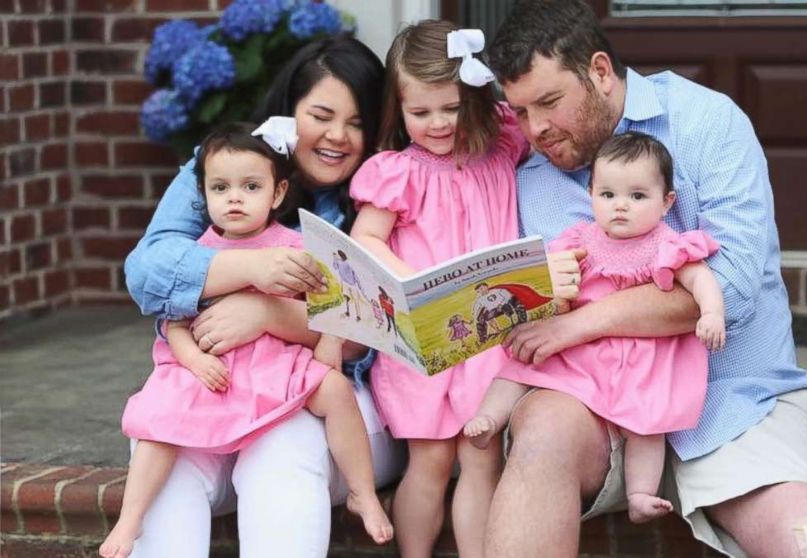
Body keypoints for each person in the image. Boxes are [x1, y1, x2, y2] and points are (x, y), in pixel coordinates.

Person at [484, 1, 807, 557]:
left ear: (600, 71)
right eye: (522, 112)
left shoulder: (708, 122)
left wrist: (581, 323)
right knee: (539, 440)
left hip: (731, 396)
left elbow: (733, 287)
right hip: (593, 400)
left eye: (550, 103)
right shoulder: (534, 177)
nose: (537, 130)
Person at [121, 36, 405, 558]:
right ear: (289, 114)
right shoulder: (231, 166)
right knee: (165, 444)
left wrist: (269, 312)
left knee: (285, 443)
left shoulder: (390, 187)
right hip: (227, 385)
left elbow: (365, 341)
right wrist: (251, 267)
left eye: (358, 123)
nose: (338, 136)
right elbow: (146, 273)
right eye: (321, 115)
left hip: (339, 401)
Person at [465, 131, 725, 525]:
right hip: (581, 350)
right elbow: (551, 288)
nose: (621, 207)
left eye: (637, 197)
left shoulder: (668, 245)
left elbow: (701, 281)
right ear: (591, 194)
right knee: (522, 365)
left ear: (666, 201)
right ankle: (488, 417)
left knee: (646, 423)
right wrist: (554, 297)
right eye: (608, 195)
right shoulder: (579, 239)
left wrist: (711, 314)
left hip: (640, 357)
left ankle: (640, 493)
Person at [346, 20, 530, 558]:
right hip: (425, 336)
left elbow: (510, 112)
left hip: (489, 332)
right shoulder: (397, 172)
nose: (437, 123)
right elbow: (366, 240)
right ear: (399, 109)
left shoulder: (500, 149)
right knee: (430, 460)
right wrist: (409, 283)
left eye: (451, 108)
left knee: (480, 455)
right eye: (419, 112)